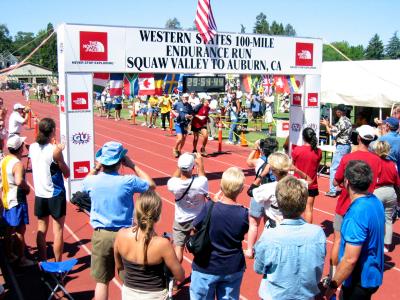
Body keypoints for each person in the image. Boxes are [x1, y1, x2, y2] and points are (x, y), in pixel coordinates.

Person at [82, 141, 155, 300]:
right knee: (129, 281)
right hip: (126, 235)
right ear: (120, 161)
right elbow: (151, 184)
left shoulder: (92, 181)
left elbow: (84, 184)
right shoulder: (128, 181)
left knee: (102, 281)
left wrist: (96, 167)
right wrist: (133, 165)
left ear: (103, 162)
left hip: (102, 235)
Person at [254, 176, 326, 300]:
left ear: (279, 205)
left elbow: (259, 268)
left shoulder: (269, 236)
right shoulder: (318, 233)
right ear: (304, 205)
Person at [325, 160, 384, 300]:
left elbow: (350, 259)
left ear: (346, 182)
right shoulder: (375, 201)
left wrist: (332, 287)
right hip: (373, 274)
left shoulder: (356, 215)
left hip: (359, 280)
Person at [329, 125, 381, 281]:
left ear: (358, 138)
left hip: (345, 205)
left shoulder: (347, 158)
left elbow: (336, 180)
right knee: (361, 245)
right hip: (365, 206)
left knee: (338, 241)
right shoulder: (377, 160)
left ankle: (333, 276)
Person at [190, 167, 249, 300]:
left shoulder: (209, 207)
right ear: (241, 189)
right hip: (232, 267)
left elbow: (194, 227)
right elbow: (241, 232)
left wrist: (212, 204)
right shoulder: (244, 214)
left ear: (221, 186)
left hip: (206, 265)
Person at [114, 190, 185, 300]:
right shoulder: (163, 244)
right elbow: (180, 276)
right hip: (155, 295)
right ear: (157, 215)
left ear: (136, 211)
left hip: (129, 294)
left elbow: (119, 267)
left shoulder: (121, 235)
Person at [29, 118, 70, 262]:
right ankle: (58, 264)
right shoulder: (55, 151)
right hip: (55, 193)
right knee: (58, 231)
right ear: (53, 131)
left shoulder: (32, 147)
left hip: (40, 194)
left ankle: (42, 261)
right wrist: (59, 152)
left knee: (42, 229)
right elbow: (66, 173)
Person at [249, 152, 311, 228]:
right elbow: (309, 181)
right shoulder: (298, 184)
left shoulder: (268, 188)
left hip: (275, 226)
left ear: (272, 170)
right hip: (294, 224)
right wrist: (296, 169)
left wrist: (262, 174)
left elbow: (250, 191)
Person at [167, 152, 208, 263]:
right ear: (193, 167)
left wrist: (180, 165)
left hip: (181, 219)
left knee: (178, 247)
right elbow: (203, 177)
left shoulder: (173, 184)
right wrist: (201, 164)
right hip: (198, 219)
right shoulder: (200, 183)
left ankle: (174, 278)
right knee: (199, 245)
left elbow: (173, 178)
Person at [1, 135, 34, 267]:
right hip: (16, 199)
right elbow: (19, 181)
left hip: (6, 198)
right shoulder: (18, 164)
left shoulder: (4, 160)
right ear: (20, 148)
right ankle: (21, 259)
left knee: (9, 229)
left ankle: (9, 254)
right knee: (20, 229)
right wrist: (27, 188)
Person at [244, 137, 278, 258]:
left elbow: (248, 161)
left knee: (253, 224)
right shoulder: (277, 162)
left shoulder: (258, 161)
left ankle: (249, 250)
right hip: (273, 194)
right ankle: (266, 248)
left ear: (262, 149)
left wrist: (255, 148)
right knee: (268, 223)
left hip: (258, 192)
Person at [372, 141, 400, 252]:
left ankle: (375, 241)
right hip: (391, 191)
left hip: (378, 191)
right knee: (388, 219)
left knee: (375, 219)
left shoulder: (375, 162)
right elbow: (397, 182)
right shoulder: (393, 164)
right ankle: (387, 244)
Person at [321, 104, 352, 197]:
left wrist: (326, 126)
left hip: (342, 146)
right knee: (344, 167)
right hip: (347, 146)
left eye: (337, 110)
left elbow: (332, 133)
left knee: (334, 168)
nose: (335, 112)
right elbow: (337, 129)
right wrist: (329, 125)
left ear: (339, 112)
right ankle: (345, 187)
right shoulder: (347, 120)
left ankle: (332, 190)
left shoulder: (342, 121)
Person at [292, 128, 322, 223]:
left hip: (298, 183)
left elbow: (292, 165)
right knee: (309, 208)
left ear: (303, 137)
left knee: (295, 208)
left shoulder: (297, 149)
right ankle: (308, 230)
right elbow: (316, 165)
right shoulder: (318, 152)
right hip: (311, 184)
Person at [171, 94, 193, 158]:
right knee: (180, 138)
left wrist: (189, 116)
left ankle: (179, 150)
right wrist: (175, 113)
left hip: (185, 124)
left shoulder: (189, 106)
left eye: (187, 97)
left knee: (184, 139)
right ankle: (175, 148)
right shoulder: (177, 104)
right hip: (178, 123)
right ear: (182, 98)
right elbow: (172, 109)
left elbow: (191, 115)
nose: (186, 99)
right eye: (185, 97)